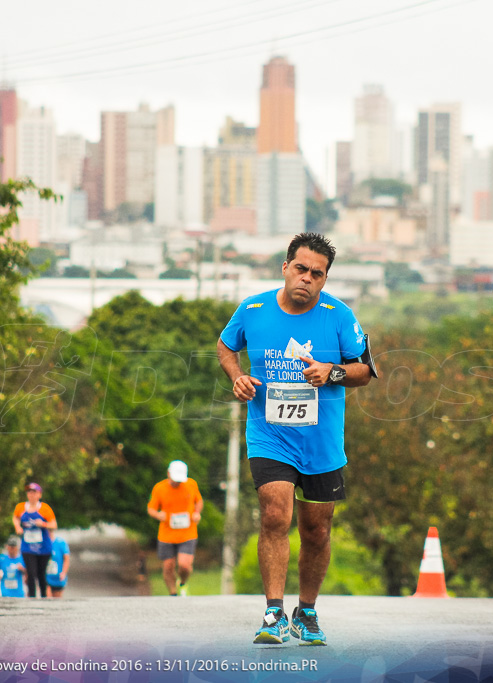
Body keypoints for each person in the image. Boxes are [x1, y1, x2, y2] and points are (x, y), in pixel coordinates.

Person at [217, 232, 377, 646]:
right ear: (285, 268)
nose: (307, 278)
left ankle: (306, 610)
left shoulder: (339, 316)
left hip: (321, 442)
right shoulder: (252, 309)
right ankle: (273, 612)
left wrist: (332, 371)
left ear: (325, 280)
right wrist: (237, 377)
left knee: (317, 530)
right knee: (274, 515)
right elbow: (225, 345)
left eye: (317, 274)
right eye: (301, 269)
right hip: (269, 435)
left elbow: (365, 370)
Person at [147, 460, 204, 596]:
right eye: (175, 479)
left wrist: (197, 513)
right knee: (168, 566)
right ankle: (173, 594)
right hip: (167, 535)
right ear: (168, 474)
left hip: (187, 533)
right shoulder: (159, 488)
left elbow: (199, 501)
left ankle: (183, 582)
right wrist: (158, 515)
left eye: (180, 480)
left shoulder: (191, 484)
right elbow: (151, 509)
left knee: (184, 565)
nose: (177, 483)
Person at [12, 482, 57, 598]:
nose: (31, 495)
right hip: (28, 547)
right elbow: (15, 517)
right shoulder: (21, 507)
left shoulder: (45, 509)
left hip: (43, 548)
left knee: (41, 574)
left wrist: (42, 524)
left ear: (39, 495)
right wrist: (17, 527)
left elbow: (54, 525)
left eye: (34, 492)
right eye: (29, 492)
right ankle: (32, 598)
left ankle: (43, 597)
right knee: (31, 573)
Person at [45, 534, 71, 598]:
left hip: (58, 577)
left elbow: (67, 559)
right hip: (46, 577)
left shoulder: (61, 542)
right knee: (47, 598)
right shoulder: (43, 543)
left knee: (56, 600)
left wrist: (64, 572)